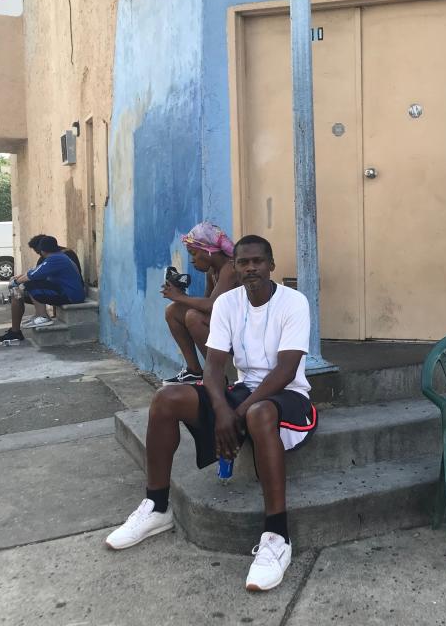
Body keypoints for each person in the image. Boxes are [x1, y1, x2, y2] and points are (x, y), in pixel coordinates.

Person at [106, 235, 317, 593]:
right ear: (234, 266)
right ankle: (157, 507)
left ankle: (277, 536)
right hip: (244, 390)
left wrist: (239, 411)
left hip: (288, 396)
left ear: (271, 265)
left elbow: (286, 369)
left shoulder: (293, 302)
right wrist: (221, 408)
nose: (251, 268)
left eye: (258, 261)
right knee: (167, 398)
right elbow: (215, 365)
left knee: (261, 412)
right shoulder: (228, 304)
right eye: (243, 262)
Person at [161, 222, 240, 385]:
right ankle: (194, 371)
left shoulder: (230, 269)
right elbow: (205, 306)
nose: (192, 260)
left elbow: (212, 306)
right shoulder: (213, 271)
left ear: (208, 251)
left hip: (240, 330)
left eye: (193, 253)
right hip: (226, 325)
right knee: (173, 311)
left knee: (193, 317)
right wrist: (180, 295)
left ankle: (218, 374)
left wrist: (180, 297)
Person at [0, 236, 85, 345]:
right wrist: (19, 279)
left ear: (42, 250)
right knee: (19, 292)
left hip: (71, 295)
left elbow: (33, 275)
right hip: (67, 291)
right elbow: (35, 270)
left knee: (30, 284)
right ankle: (17, 330)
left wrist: (15, 282)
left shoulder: (56, 259)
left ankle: (43, 316)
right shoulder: (57, 256)